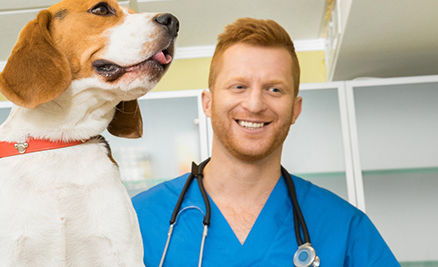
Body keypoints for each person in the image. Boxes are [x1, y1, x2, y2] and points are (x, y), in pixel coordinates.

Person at [131, 18, 399, 266]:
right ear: (208, 103)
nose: (255, 105)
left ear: (295, 109)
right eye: (238, 86)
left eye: (274, 89)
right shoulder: (138, 219)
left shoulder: (345, 228)